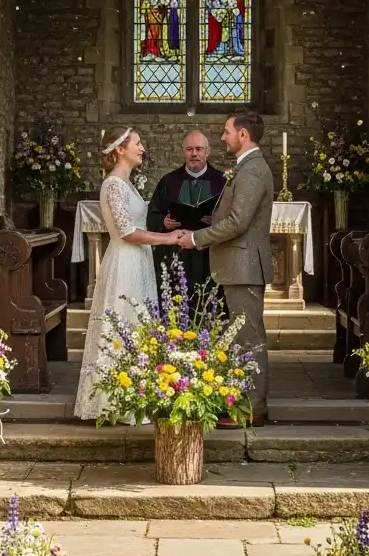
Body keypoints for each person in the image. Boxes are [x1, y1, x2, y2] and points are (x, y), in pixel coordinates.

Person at [74, 126, 185, 421]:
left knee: (138, 326)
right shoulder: (112, 185)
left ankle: (136, 394)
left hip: (138, 261)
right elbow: (125, 231)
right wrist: (167, 239)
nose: (142, 147)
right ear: (120, 149)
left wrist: (166, 226)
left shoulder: (127, 183)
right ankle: (113, 402)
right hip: (125, 262)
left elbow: (136, 221)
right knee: (122, 324)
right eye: (137, 143)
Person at [177, 109, 273, 424]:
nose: (222, 137)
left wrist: (196, 238)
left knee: (248, 337)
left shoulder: (252, 170)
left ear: (243, 134)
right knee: (240, 336)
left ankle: (253, 409)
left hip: (243, 264)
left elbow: (238, 222)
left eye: (227, 131)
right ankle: (241, 401)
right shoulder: (246, 167)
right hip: (237, 264)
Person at [147, 130, 226, 301]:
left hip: (209, 253)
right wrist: (163, 221)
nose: (194, 154)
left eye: (199, 149)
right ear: (184, 152)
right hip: (178, 252)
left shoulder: (222, 181)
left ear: (207, 152)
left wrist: (216, 220)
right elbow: (152, 214)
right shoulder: (168, 181)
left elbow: (233, 218)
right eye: (189, 149)